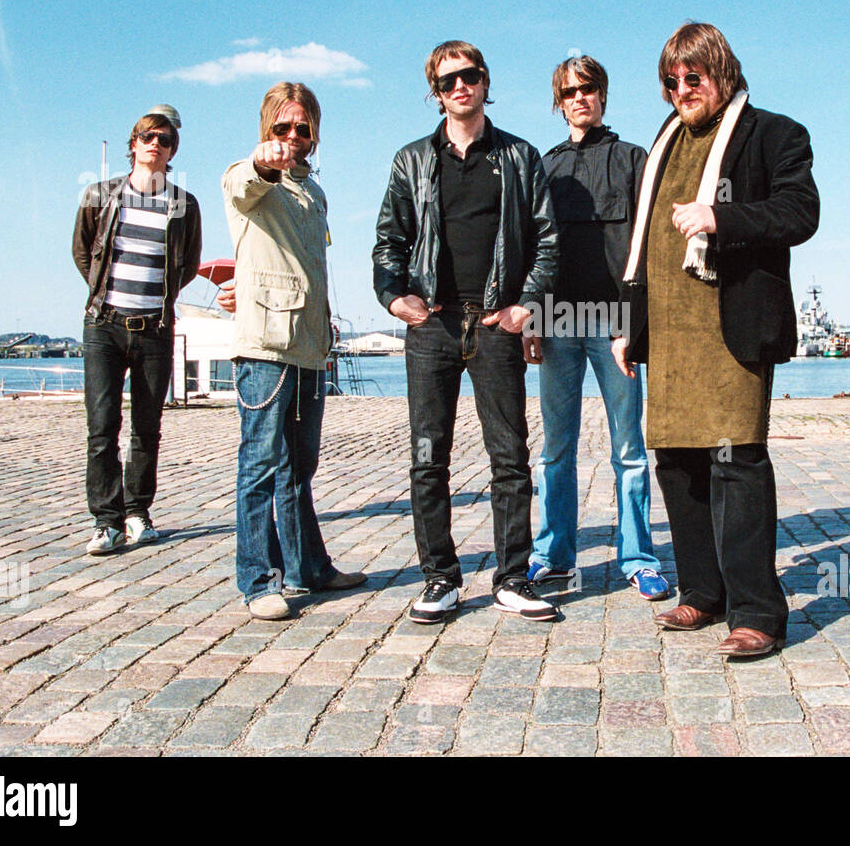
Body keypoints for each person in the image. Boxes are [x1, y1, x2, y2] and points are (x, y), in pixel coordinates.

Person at [614, 23, 819, 658]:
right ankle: (703, 592)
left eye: (692, 78)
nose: (681, 91)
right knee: (676, 464)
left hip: (730, 331)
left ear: (722, 72)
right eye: (670, 82)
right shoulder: (663, 142)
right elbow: (642, 242)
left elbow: (800, 213)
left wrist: (719, 217)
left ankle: (757, 609)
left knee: (737, 468)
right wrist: (629, 323)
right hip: (669, 335)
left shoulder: (774, 133)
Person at [374, 41, 560, 624]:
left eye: (471, 75)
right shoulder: (411, 160)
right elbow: (389, 241)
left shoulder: (519, 156)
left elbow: (547, 241)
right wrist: (394, 296)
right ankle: (440, 578)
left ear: (485, 81)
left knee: (510, 457)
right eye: (448, 79)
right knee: (429, 457)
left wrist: (525, 305)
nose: (461, 86)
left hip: (495, 323)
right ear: (435, 91)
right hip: (432, 325)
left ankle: (512, 578)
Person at [521, 56, 668, 601]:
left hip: (615, 323)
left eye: (588, 89)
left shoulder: (634, 159)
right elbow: (529, 243)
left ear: (603, 95)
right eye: (568, 91)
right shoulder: (542, 167)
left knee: (629, 448)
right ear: (558, 102)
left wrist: (639, 318)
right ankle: (552, 555)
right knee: (556, 449)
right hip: (557, 318)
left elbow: (649, 245)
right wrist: (531, 315)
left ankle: (639, 558)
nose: (579, 98)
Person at [222, 82, 365, 620]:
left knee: (300, 467)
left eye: (302, 128)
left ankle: (310, 568)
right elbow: (242, 184)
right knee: (259, 464)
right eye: (282, 128)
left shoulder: (315, 193)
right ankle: (259, 580)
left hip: (309, 346)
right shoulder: (249, 177)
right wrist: (263, 161)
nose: (292, 137)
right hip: (265, 347)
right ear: (266, 130)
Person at [73, 105, 201, 555]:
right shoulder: (99, 195)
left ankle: (137, 514)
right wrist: (106, 294)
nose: (155, 144)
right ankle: (106, 521)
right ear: (133, 144)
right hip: (104, 326)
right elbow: (85, 253)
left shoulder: (184, 204)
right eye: (148, 136)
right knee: (102, 426)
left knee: (148, 427)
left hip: (154, 328)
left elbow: (186, 265)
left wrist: (155, 298)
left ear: (172, 151)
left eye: (164, 140)